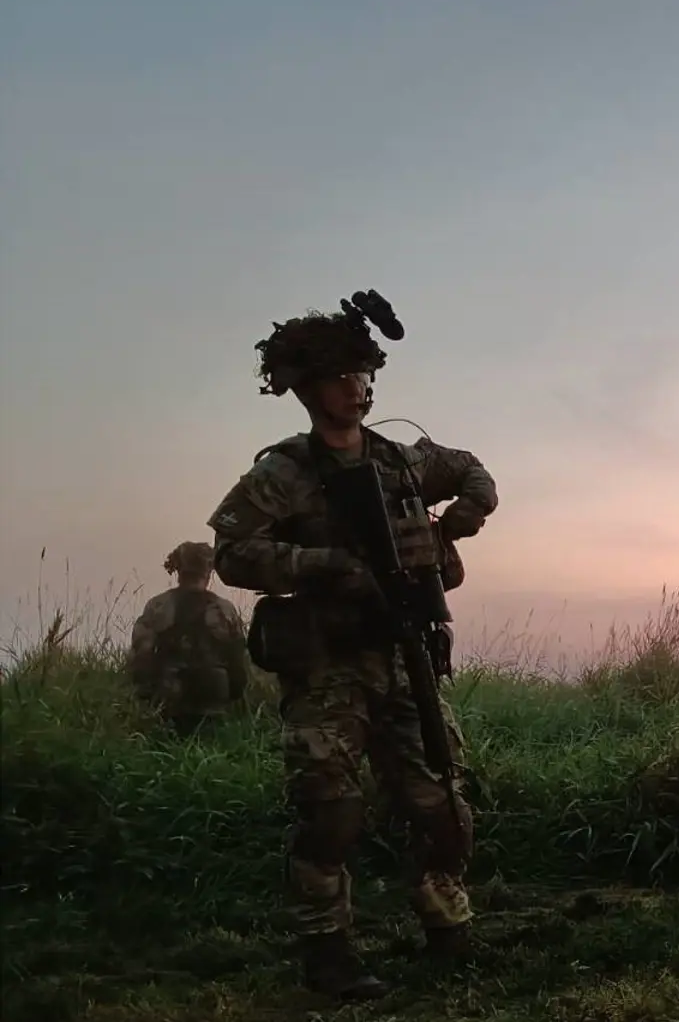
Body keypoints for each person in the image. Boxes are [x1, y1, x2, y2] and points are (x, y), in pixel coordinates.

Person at [205, 292, 498, 1001]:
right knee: (331, 811)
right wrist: (322, 566)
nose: (357, 388)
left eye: (365, 373)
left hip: (406, 655)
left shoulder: (400, 460)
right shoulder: (286, 472)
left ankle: (444, 921)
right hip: (329, 665)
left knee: (440, 803)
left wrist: (459, 519)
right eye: (341, 376)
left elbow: (472, 473)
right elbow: (233, 552)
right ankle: (328, 951)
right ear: (306, 387)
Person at [126, 541, 250, 736]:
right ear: (209, 572)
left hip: (170, 697)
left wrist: (146, 695)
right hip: (214, 696)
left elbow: (141, 657)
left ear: (179, 570)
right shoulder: (225, 610)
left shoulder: (158, 606)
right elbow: (238, 662)